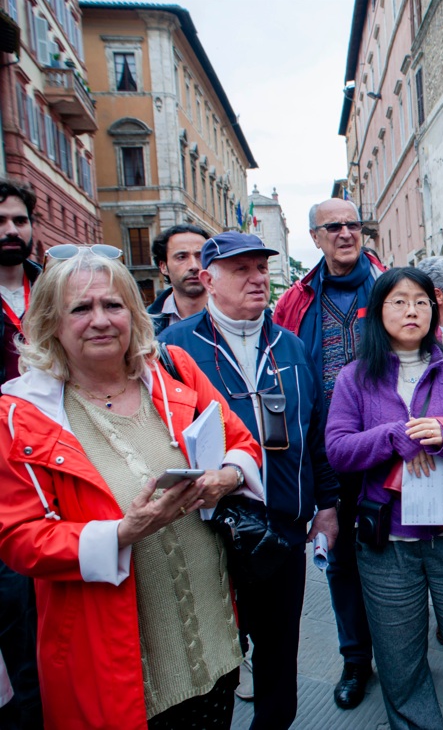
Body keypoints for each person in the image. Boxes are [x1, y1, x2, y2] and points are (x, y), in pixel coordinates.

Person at [0, 245, 263, 729]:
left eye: (113, 305)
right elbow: (19, 540)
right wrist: (121, 533)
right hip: (116, 669)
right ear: (50, 323)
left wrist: (226, 477)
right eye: (81, 308)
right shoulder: (20, 417)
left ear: (132, 314)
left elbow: (241, 441)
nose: (100, 319)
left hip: (216, 641)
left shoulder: (173, 372)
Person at [159, 232, 340, 729]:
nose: (257, 279)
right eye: (241, 270)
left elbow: (317, 433)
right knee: (218, 650)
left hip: (282, 524)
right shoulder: (172, 348)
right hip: (206, 529)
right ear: (207, 280)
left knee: (280, 652)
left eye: (261, 268)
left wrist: (326, 507)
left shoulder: (292, 345)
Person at [326, 267, 443, 730]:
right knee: (400, 660)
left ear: (434, 309)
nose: (411, 310)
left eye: (420, 300)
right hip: (385, 544)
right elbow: (337, 449)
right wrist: (395, 436)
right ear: (377, 313)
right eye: (398, 301)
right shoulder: (355, 377)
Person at [272, 197, 385, 709]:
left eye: (352, 224)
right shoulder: (295, 302)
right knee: (339, 561)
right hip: (327, 453)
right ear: (315, 238)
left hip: (390, 447)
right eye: (333, 226)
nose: (345, 233)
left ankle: (400, 652)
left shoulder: (389, 286)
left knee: (399, 553)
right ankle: (355, 659)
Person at [0, 179, 42, 730]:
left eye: (18, 220)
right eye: (0, 222)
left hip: (60, 467)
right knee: (15, 616)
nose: (10, 231)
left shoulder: (55, 288)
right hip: (5, 481)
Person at [147, 223, 208, 334]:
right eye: (181, 257)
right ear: (163, 266)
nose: (193, 266)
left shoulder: (236, 316)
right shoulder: (146, 324)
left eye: (200, 256)